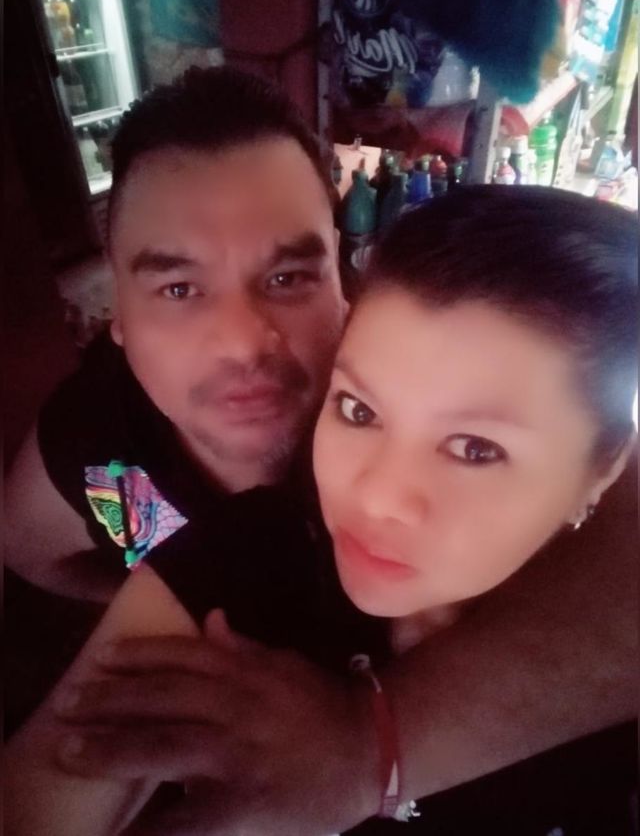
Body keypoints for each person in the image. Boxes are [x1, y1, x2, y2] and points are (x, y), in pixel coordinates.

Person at [6, 187, 637, 836]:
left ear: (604, 468)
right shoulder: (245, 559)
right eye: (359, 410)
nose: (377, 497)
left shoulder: (612, 667)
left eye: (475, 449)